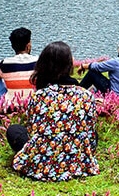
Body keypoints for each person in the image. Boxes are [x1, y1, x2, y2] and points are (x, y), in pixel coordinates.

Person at [6, 41, 99, 181]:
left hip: (43, 162)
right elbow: (90, 136)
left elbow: (33, 132)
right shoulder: (86, 95)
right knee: (93, 133)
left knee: (14, 130)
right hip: (77, 161)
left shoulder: (39, 96)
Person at [0, 27, 38, 104]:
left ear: (12, 46)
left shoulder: (3, 64)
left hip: (11, 106)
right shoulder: (39, 62)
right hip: (34, 104)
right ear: (28, 45)